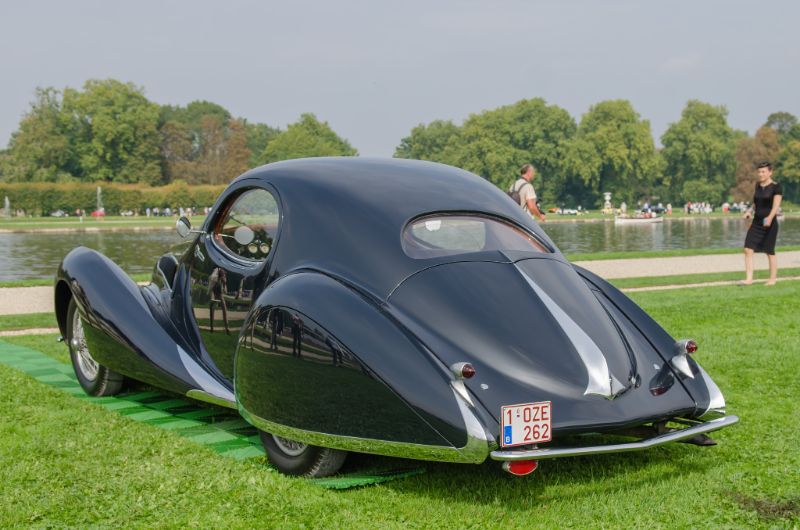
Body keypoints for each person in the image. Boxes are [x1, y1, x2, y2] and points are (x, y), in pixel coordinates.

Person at [743, 161, 783, 286]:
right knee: (748, 249)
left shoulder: (776, 187)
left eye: (763, 172)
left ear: (770, 172)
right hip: (756, 222)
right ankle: (749, 279)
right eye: (759, 172)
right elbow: (756, 203)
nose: (760, 174)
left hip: (769, 223)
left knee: (769, 251)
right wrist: (749, 211)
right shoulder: (757, 186)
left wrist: (770, 218)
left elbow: (776, 206)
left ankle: (772, 279)